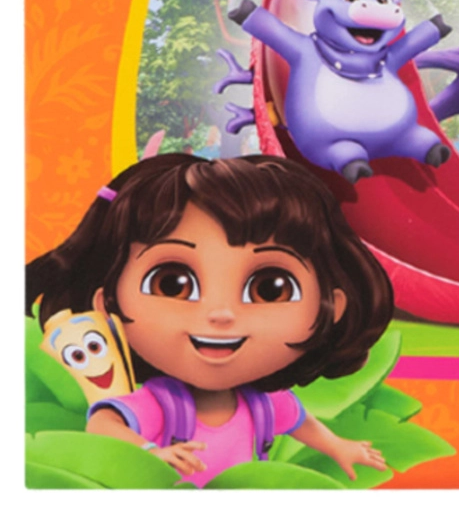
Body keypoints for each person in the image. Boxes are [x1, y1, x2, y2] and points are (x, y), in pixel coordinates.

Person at [26, 155, 396, 487]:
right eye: (172, 284)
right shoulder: (163, 402)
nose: (221, 313)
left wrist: (339, 447)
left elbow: (300, 421)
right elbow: (103, 424)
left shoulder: (263, 404)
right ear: (108, 303)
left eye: (270, 288)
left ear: (332, 306)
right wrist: (149, 452)